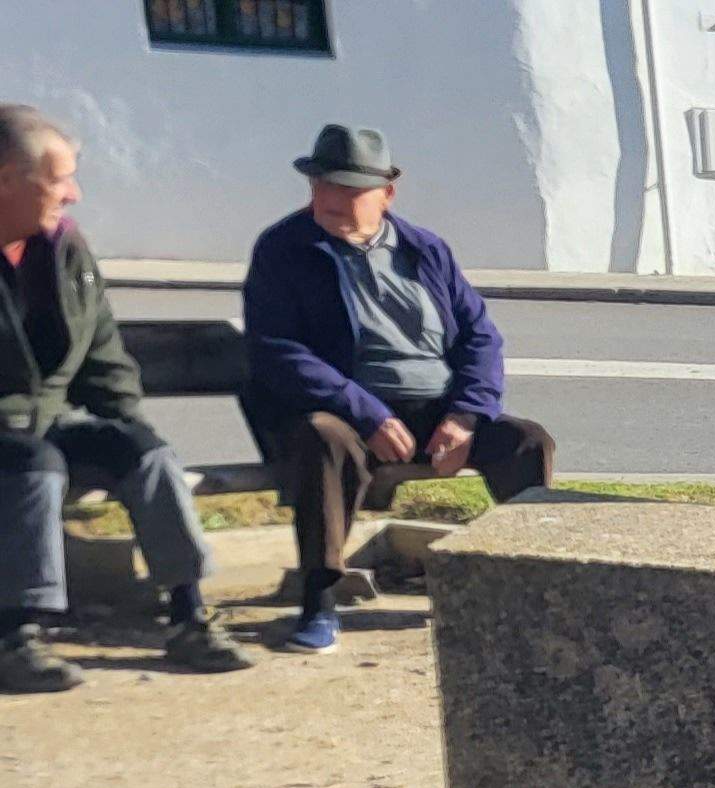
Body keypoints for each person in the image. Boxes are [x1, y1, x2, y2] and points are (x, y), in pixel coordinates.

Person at [238, 124, 553, 656]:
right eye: (321, 186)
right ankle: (320, 598)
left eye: (348, 189)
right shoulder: (284, 249)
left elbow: (480, 336)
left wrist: (468, 415)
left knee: (527, 441)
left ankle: (533, 589)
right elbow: (277, 349)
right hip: (345, 412)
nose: (331, 199)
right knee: (323, 439)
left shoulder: (424, 250)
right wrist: (367, 414)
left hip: (436, 415)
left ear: (387, 193)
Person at [1, 105, 253, 694]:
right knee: (36, 466)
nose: (75, 193)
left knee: (147, 454)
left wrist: (132, 428)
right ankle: (15, 636)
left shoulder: (63, 249)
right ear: (6, 177)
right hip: (13, 442)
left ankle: (190, 617)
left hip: (41, 426)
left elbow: (102, 351)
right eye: (59, 179)